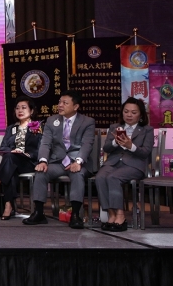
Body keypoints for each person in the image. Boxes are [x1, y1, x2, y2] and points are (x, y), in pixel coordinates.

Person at [23, 90, 96, 229]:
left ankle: (75, 215)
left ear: (76, 106)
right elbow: (45, 143)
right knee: (41, 172)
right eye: (59, 102)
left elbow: (87, 144)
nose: (60, 105)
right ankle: (38, 212)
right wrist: (43, 161)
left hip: (77, 162)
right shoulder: (52, 121)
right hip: (58, 162)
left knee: (77, 174)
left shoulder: (87, 122)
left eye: (65, 103)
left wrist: (78, 161)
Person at [95, 97, 154, 232]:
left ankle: (120, 216)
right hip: (113, 162)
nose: (129, 115)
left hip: (134, 165)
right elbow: (107, 148)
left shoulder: (147, 130)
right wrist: (115, 142)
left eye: (133, 112)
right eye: (126, 111)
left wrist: (130, 146)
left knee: (113, 177)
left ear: (140, 115)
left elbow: (145, 152)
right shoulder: (115, 127)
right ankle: (111, 214)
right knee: (100, 177)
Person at [0, 96, 42, 220]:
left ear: (31, 111)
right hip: (13, 161)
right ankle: (8, 205)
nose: (20, 110)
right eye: (17, 108)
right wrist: (13, 151)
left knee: (9, 162)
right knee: (10, 163)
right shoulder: (11, 128)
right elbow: (3, 147)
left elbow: (41, 148)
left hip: (29, 162)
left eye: (24, 108)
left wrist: (26, 154)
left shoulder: (37, 127)